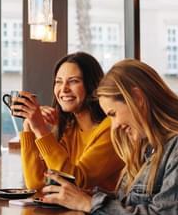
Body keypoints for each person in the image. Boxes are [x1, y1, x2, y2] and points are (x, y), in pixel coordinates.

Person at [40, 59, 178, 215]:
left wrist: (89, 203)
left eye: (113, 114)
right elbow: (128, 206)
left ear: (137, 98)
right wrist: (82, 196)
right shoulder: (147, 146)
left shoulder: (175, 148)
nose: (114, 126)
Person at [12, 52, 123, 192]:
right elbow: (37, 184)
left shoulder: (112, 128)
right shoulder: (70, 128)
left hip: (101, 212)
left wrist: (40, 128)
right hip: (76, 211)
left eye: (73, 81)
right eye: (58, 81)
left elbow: (77, 182)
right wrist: (29, 126)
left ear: (91, 85)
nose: (63, 89)